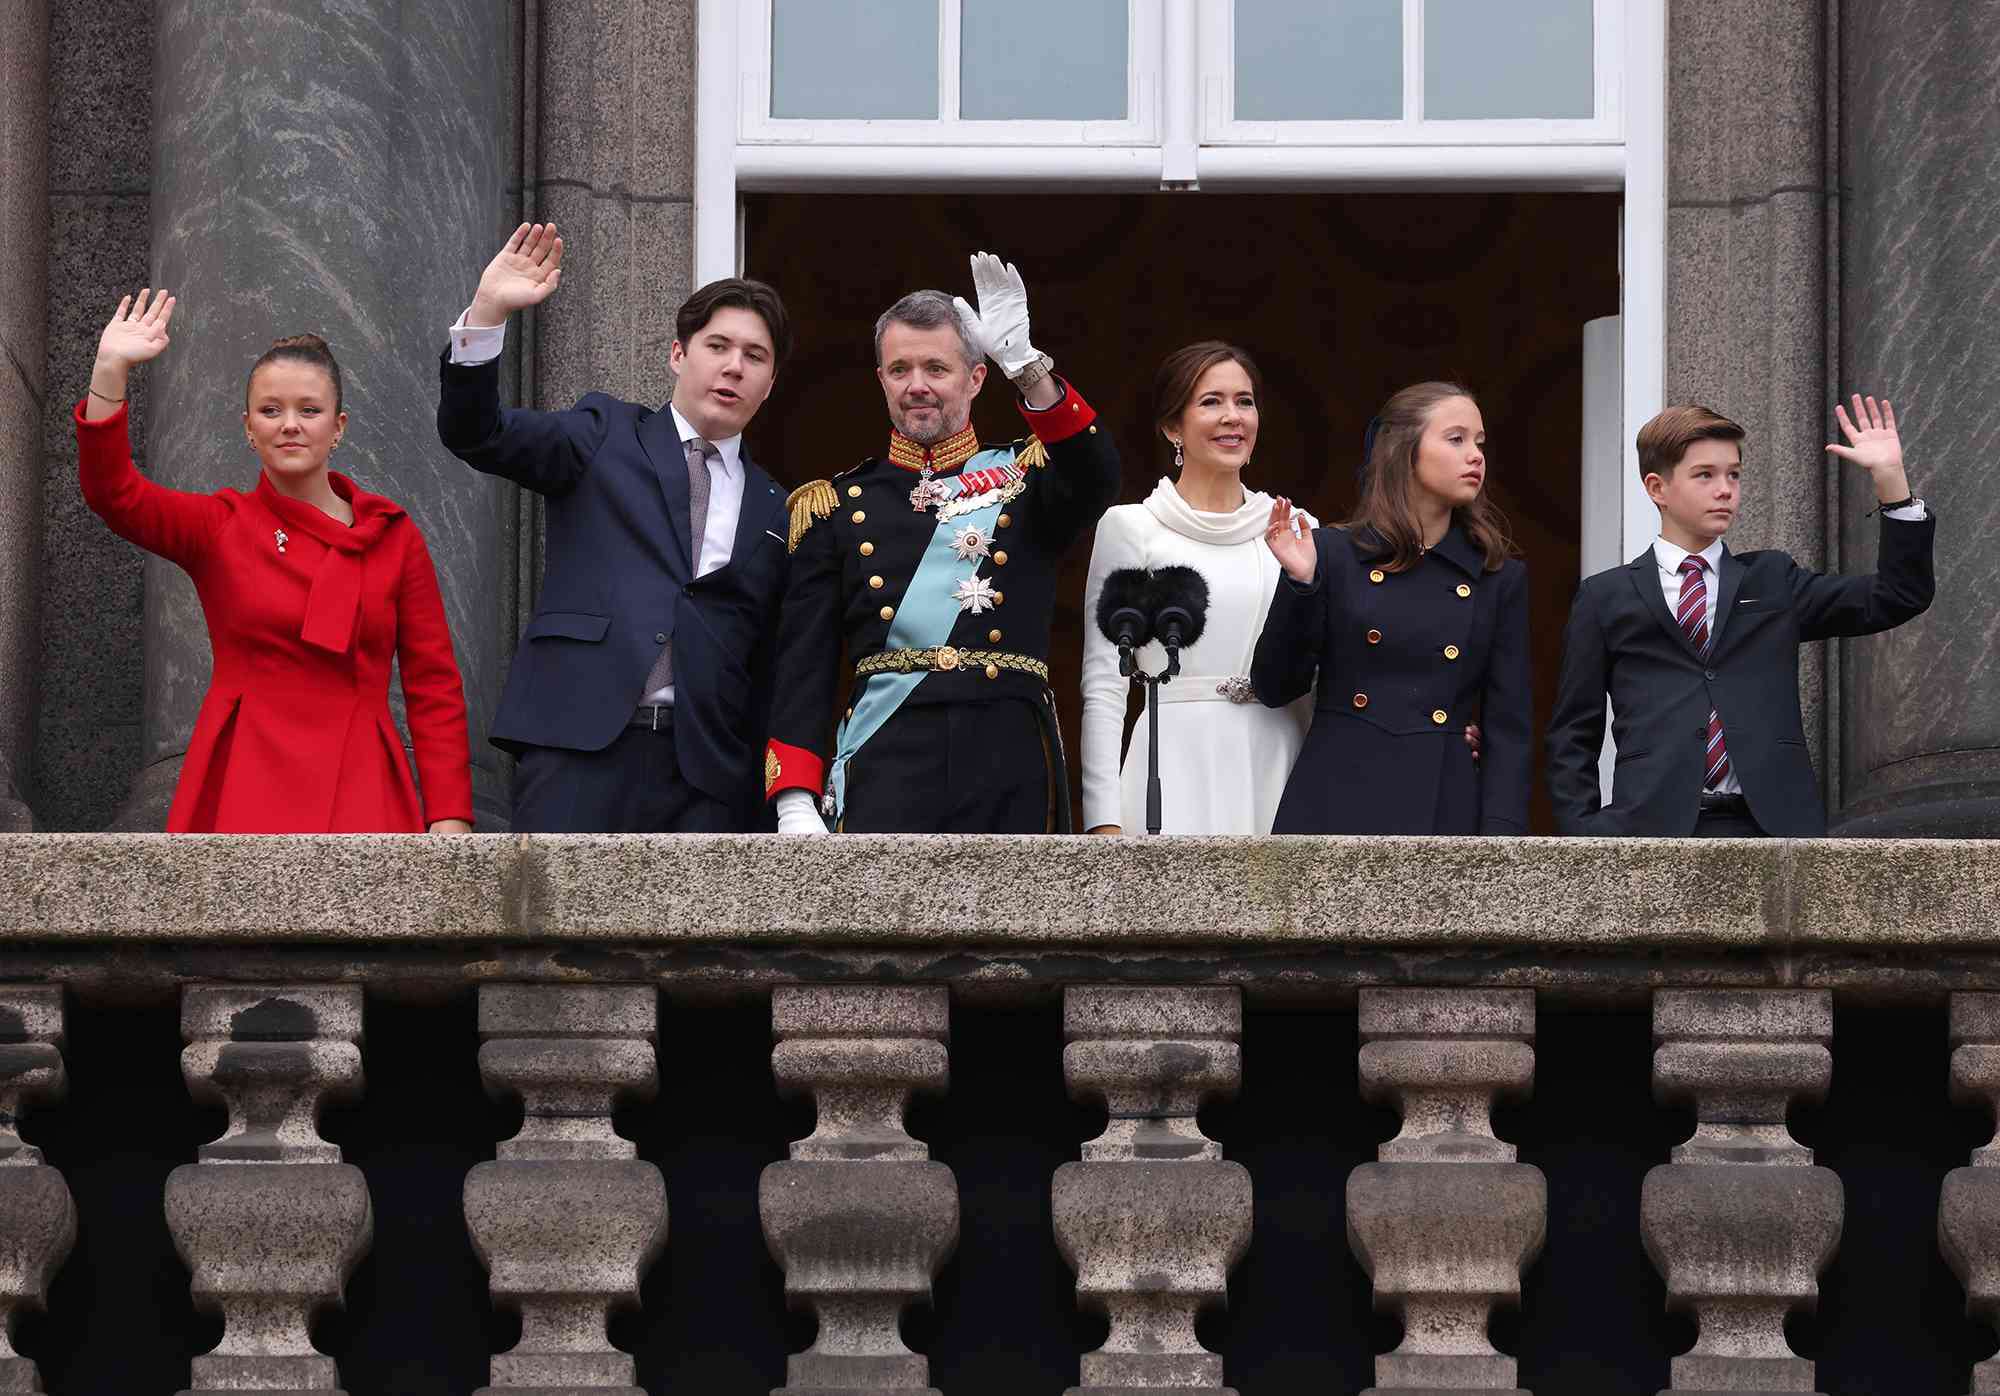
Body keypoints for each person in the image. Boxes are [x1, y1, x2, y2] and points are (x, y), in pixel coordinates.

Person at [437, 223, 792, 832]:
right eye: (717, 346)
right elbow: (479, 432)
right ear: (678, 354)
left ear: (770, 383)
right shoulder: (602, 432)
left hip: (707, 775)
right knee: (556, 931)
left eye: (754, 357)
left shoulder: (777, 507)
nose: (733, 367)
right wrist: (488, 314)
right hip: (578, 748)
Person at [76, 289, 473, 833]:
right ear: (248, 428)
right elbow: (113, 493)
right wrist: (109, 370)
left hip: (363, 784)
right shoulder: (220, 525)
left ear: (338, 427)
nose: (290, 424)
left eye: (309, 410)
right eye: (271, 410)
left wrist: (450, 815)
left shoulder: (393, 538)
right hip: (242, 778)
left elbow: (433, 685)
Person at [764, 253, 1120, 833]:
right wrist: (795, 795)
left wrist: (1028, 369)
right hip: (889, 755)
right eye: (899, 369)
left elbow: (1099, 475)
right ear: (880, 379)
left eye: (937, 367)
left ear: (976, 377)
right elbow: (803, 664)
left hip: (1008, 754)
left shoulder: (1028, 480)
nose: (917, 386)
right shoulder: (835, 505)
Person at [1545, 397, 1934, 837]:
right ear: (1657, 488)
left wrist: (1891, 482)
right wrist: (1587, 835)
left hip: (1771, 825)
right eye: (1704, 475)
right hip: (1649, 828)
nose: (1725, 489)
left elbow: (1898, 595)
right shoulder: (1605, 596)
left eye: (1733, 474)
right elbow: (1574, 732)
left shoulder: (1771, 579)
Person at [1252, 381, 1530, 835]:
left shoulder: (1497, 575)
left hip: (1445, 803)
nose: (1476, 455)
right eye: (1455, 439)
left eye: (1479, 443)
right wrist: (1301, 585)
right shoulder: (1333, 553)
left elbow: (1509, 730)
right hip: (1335, 797)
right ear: (1405, 449)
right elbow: (1275, 687)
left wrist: (1503, 843)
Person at [1079, 342, 1312, 835]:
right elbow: (1105, 683)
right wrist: (1103, 821)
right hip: (1172, 761)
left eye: (1244, 402)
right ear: (1172, 427)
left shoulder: (1298, 529)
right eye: (1211, 402)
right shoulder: (1132, 528)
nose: (1233, 417)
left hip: (1281, 759)